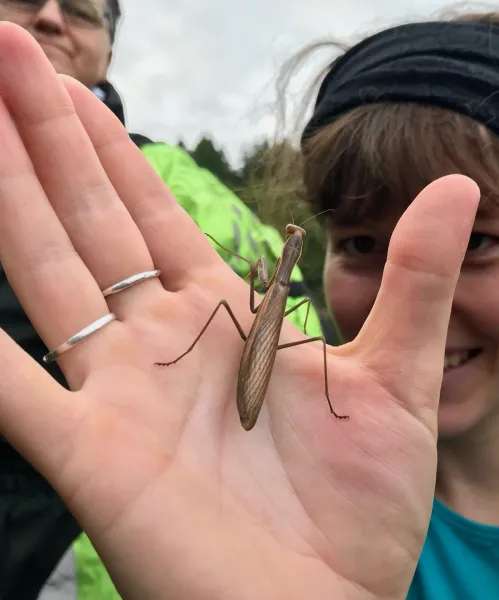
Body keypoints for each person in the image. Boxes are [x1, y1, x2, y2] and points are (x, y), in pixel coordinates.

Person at [0, 9, 499, 600]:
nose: (417, 291)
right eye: (361, 243)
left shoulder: (284, 309)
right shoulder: (270, 476)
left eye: (477, 242)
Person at [0, 1, 322, 599]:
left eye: (79, 11)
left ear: (110, 51)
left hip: (127, 548)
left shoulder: (172, 182)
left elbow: (307, 335)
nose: (49, 17)